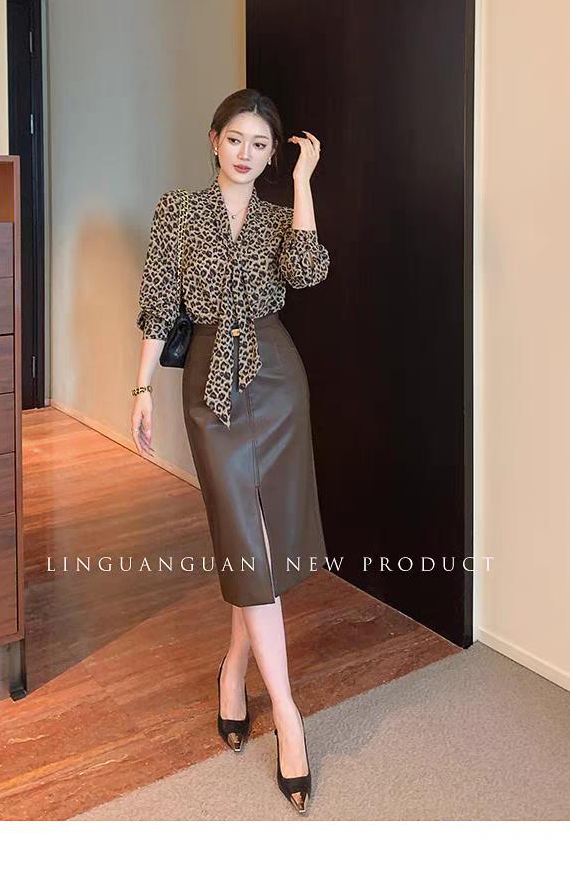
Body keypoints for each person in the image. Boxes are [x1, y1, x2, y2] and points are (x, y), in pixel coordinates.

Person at [131, 88, 329, 813]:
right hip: (210, 384)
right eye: (236, 139)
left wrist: (304, 186)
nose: (247, 153)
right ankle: (290, 717)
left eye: (261, 145)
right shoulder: (178, 210)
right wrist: (142, 387)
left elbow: (308, 273)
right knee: (243, 536)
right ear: (214, 139)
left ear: (273, 156)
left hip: (277, 379)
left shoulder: (279, 216)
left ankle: (234, 668)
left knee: (261, 544)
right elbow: (159, 301)